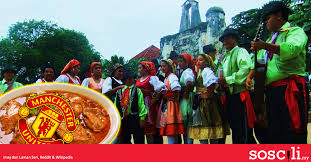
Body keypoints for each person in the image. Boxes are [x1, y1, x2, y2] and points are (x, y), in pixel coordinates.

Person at [250, 1, 308, 144]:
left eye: (267, 18)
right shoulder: (271, 38)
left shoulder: (295, 31)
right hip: (271, 92)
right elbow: (259, 62)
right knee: (274, 132)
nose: (265, 22)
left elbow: (291, 49)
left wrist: (264, 45)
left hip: (289, 88)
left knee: (293, 130)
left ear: (279, 16)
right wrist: (250, 76)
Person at [218, 28, 256, 144]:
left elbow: (245, 70)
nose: (224, 42)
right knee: (236, 127)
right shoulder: (225, 57)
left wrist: (228, 80)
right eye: (223, 40)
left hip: (240, 94)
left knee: (242, 129)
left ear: (234, 39)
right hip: (230, 95)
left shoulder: (240, 51)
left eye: (227, 39)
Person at [189, 54, 230, 144]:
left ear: (207, 62)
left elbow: (212, 82)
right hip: (203, 102)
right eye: (197, 60)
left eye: (201, 60)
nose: (198, 62)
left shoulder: (207, 71)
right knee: (207, 131)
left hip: (208, 103)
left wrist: (208, 94)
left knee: (210, 130)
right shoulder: (201, 71)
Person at [136, 61, 166, 144]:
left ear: (145, 69)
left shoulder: (152, 78)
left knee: (151, 127)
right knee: (144, 127)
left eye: (140, 68)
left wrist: (154, 99)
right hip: (140, 103)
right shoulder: (138, 80)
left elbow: (162, 88)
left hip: (149, 104)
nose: (138, 70)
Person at [115, 71, 148, 144]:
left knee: (139, 138)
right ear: (124, 80)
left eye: (131, 78)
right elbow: (116, 105)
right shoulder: (119, 91)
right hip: (124, 119)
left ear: (134, 79)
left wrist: (142, 118)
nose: (129, 80)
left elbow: (141, 104)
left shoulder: (137, 90)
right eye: (127, 79)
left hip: (135, 117)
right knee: (125, 139)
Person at [158, 59, 184, 144]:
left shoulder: (172, 77)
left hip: (171, 105)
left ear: (170, 67)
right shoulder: (167, 77)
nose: (162, 68)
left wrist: (167, 94)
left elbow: (176, 89)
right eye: (161, 66)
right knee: (171, 133)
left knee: (171, 131)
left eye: (164, 66)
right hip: (168, 105)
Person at [176, 53, 195, 144]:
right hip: (186, 98)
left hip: (186, 100)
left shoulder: (187, 71)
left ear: (186, 62)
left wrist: (186, 93)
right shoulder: (185, 71)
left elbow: (189, 82)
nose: (179, 63)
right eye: (178, 61)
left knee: (187, 125)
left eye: (181, 61)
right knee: (186, 126)